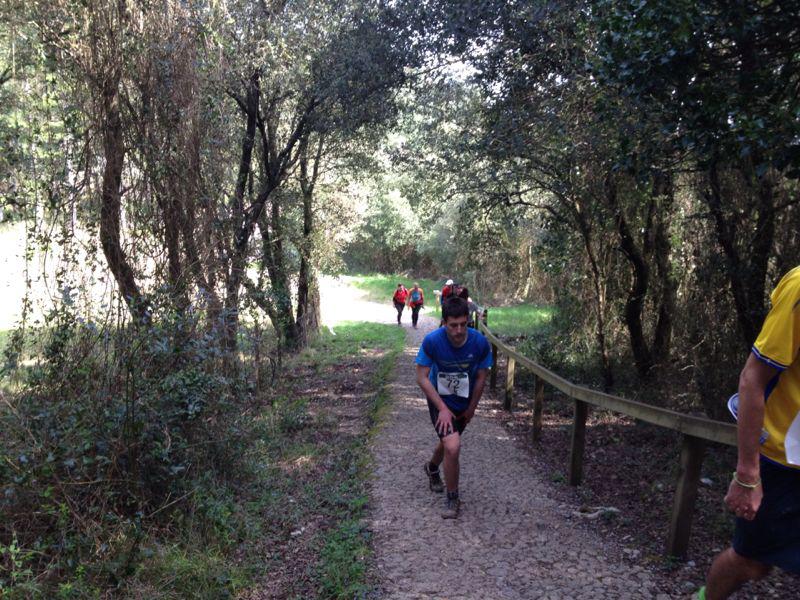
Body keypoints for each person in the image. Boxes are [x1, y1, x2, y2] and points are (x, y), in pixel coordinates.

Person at [699, 266, 800, 599]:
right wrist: (747, 475)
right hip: (784, 459)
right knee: (751, 563)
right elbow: (752, 379)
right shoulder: (799, 287)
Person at [415, 296, 493, 519]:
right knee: (453, 445)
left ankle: (432, 468)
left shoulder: (479, 343)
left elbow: (481, 378)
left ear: (468, 320)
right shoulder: (432, 341)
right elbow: (421, 377)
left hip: (463, 401)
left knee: (448, 442)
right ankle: (453, 498)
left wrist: (472, 408)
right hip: (439, 400)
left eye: (463, 324)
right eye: (453, 325)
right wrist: (442, 408)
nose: (458, 330)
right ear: (444, 323)